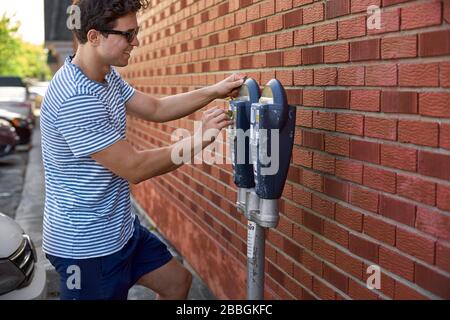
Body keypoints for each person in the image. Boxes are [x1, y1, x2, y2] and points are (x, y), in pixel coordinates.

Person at [40, 0, 245, 300]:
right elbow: (134, 167)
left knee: (177, 283)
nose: (136, 42)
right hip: (86, 248)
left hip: (120, 230)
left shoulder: (105, 74)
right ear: (95, 36)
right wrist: (200, 139)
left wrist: (214, 90)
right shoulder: (76, 98)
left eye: (137, 31)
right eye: (128, 34)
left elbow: (156, 107)